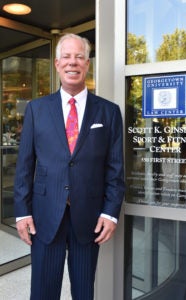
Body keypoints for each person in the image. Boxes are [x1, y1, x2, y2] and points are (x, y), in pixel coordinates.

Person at [14, 33, 125, 300]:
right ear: (56, 63)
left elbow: (115, 168)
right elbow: (25, 165)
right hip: (43, 216)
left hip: (89, 216)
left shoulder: (108, 112)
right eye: (66, 56)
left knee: (84, 291)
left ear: (87, 64)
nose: (72, 62)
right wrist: (21, 212)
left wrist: (110, 213)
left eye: (79, 57)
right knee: (42, 292)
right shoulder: (36, 109)